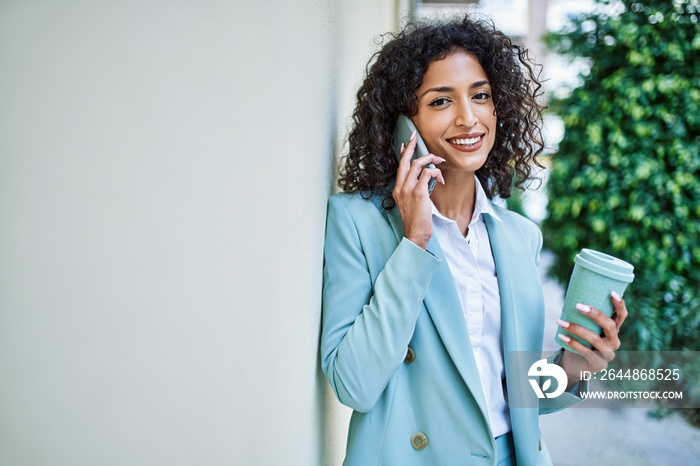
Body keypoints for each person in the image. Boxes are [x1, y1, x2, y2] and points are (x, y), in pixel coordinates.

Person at [321, 16, 628, 466]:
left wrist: (573, 369)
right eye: (441, 100)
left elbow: (511, 395)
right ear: (405, 123)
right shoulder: (357, 222)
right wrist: (415, 241)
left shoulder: (519, 236)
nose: (469, 118)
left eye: (480, 95)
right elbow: (354, 385)